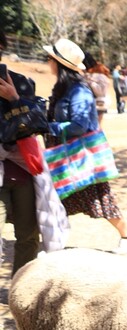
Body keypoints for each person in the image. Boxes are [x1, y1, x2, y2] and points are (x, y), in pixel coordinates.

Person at [43, 38, 127, 254]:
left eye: (50, 58)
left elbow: (80, 125)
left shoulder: (79, 91)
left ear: (60, 64)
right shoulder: (64, 88)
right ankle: (53, 244)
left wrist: (51, 128)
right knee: (57, 199)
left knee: (100, 198)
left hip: (81, 158)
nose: (47, 62)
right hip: (67, 157)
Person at [0, 29, 40, 274]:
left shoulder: (21, 83)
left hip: (20, 170)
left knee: (28, 235)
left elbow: (35, 126)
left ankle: (21, 288)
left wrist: (14, 98)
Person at [83, 52, 111, 127]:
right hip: (101, 102)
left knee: (95, 127)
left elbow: (100, 90)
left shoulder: (94, 73)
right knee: (97, 126)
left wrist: (90, 82)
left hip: (97, 102)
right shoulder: (100, 69)